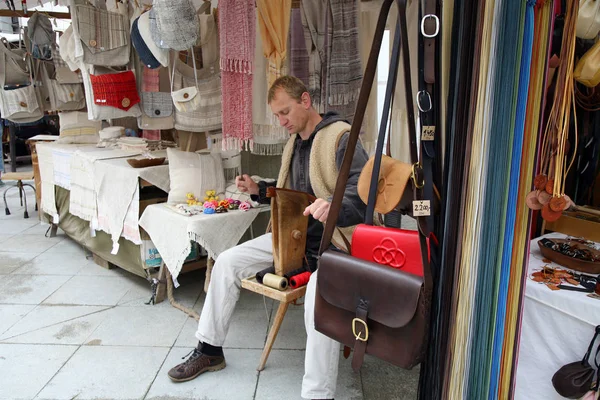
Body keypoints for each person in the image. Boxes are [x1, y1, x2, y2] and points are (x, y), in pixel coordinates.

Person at [167, 75, 369, 400]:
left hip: (338, 244)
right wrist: (260, 190)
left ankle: (318, 395)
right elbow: (290, 192)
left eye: (285, 112)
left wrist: (332, 206)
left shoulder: (340, 137)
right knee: (228, 262)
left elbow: (363, 192)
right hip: (294, 239)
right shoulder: (294, 145)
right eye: (276, 115)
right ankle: (209, 349)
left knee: (319, 296)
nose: (281, 121)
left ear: (305, 100)